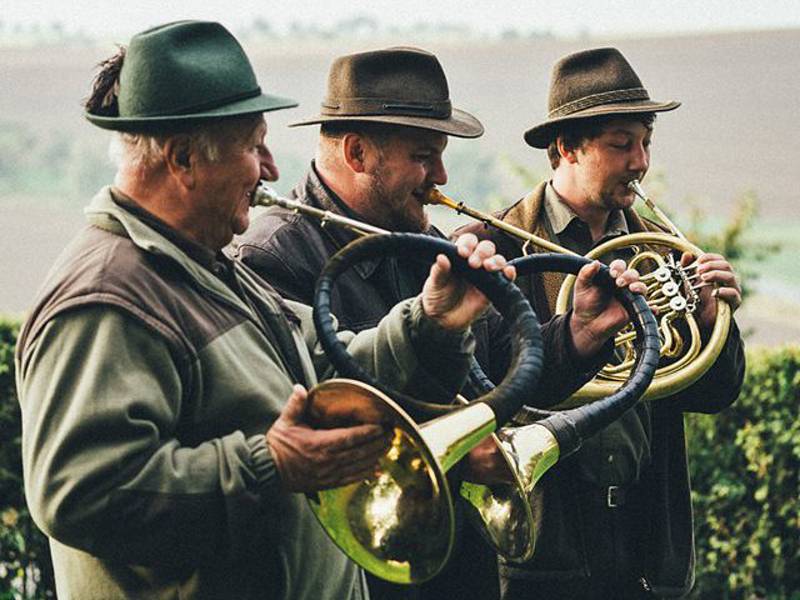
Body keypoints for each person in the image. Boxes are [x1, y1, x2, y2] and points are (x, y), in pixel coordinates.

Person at [15, 22, 520, 600]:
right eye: (254, 145)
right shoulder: (109, 296)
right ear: (183, 159)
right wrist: (269, 465)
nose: (272, 169)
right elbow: (79, 492)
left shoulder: (204, 266)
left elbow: (325, 361)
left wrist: (429, 321)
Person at [236, 46, 648, 600]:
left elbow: (508, 368)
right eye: (425, 155)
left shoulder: (426, 243)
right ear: (357, 152)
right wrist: (456, 463)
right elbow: (304, 427)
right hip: (352, 572)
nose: (441, 176)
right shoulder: (275, 256)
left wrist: (580, 333)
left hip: (453, 566)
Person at [454, 47, 746, 599]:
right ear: (566, 147)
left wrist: (713, 323)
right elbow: (485, 388)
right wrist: (577, 335)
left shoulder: (663, 254)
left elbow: (714, 392)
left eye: (645, 143)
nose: (640, 162)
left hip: (644, 544)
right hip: (543, 551)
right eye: (621, 145)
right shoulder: (496, 251)